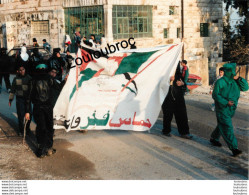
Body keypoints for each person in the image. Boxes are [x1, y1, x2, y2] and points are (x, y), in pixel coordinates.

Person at [210, 63, 248, 157]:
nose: (232, 73)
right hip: (222, 108)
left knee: (222, 124)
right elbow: (215, 95)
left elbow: (245, 87)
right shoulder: (220, 82)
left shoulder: (235, 81)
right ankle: (234, 148)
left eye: (233, 71)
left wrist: (239, 79)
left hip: (232, 108)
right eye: (230, 71)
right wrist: (225, 102)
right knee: (227, 127)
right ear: (226, 71)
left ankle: (214, 138)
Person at [25, 64, 58, 157]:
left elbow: (28, 97)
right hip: (48, 107)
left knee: (41, 127)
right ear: (45, 69)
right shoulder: (50, 79)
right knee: (49, 127)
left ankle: (40, 150)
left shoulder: (32, 80)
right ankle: (49, 148)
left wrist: (27, 111)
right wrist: (66, 80)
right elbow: (59, 88)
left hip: (38, 107)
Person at [162, 61, 193, 139]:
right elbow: (159, 84)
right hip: (167, 96)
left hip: (178, 96)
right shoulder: (163, 72)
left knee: (182, 114)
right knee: (168, 114)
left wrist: (182, 84)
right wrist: (168, 80)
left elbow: (183, 82)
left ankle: (184, 132)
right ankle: (166, 130)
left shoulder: (178, 74)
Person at [9, 65, 32, 136]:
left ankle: (27, 129)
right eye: (20, 70)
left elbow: (31, 89)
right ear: (18, 71)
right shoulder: (16, 79)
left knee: (29, 115)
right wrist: (10, 99)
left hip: (27, 99)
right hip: (19, 99)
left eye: (23, 69)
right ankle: (21, 130)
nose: (22, 71)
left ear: (25, 70)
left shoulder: (29, 78)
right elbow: (12, 90)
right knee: (20, 115)